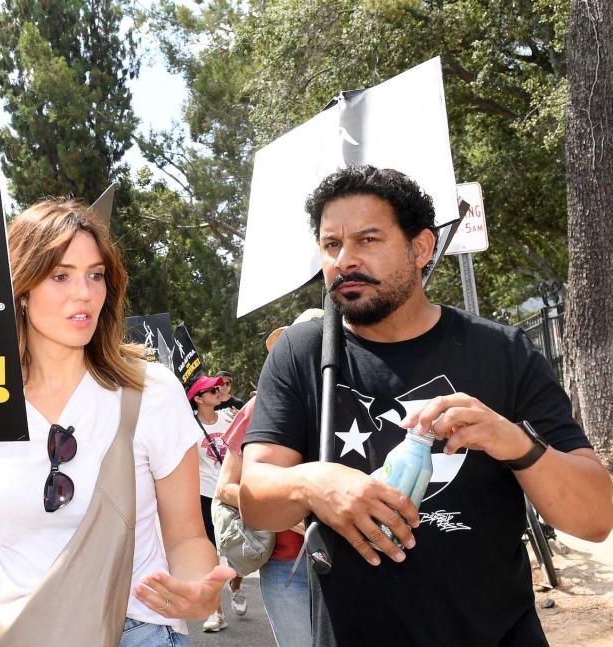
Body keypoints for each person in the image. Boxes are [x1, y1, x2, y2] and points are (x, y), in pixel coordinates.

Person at [239, 165, 613, 646]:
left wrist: (517, 444)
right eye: (332, 245)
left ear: (421, 248)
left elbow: (596, 518)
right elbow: (255, 499)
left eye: (367, 240)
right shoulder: (301, 353)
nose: (345, 260)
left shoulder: (504, 352)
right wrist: (313, 482)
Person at [0, 198, 234, 645]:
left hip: (134, 631)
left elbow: (185, 537)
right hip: (18, 632)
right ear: (20, 290)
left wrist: (198, 592)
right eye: (61, 276)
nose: (85, 292)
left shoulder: (151, 392)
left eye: (95, 275)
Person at [215, 325, 311, 647]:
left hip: (350, 564)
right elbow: (225, 488)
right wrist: (288, 510)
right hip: (287, 568)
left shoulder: (347, 403)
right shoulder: (258, 410)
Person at [186, 374, 245, 632]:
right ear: (198, 399)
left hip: (232, 493)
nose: (218, 390)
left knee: (241, 550)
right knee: (210, 554)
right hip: (205, 497)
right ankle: (216, 612)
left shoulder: (229, 418)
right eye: (211, 390)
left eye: (218, 387)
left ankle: (237, 585)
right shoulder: (188, 425)